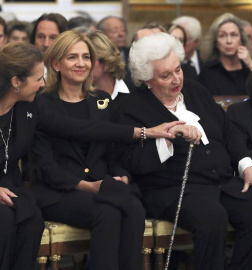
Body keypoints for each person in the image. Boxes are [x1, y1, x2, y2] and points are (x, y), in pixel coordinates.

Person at [115, 32, 252, 270]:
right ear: (147, 79)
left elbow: (229, 132)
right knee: (212, 217)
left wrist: (246, 165)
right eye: (165, 75)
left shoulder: (196, 91)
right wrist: (167, 137)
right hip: (170, 189)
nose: (176, 79)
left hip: (220, 182)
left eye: (178, 69)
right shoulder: (130, 108)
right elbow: (132, 161)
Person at [30, 30, 178, 270]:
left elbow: (113, 153)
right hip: (59, 191)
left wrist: (122, 175)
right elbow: (45, 167)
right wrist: (86, 186)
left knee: (134, 208)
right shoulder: (41, 103)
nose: (81, 63)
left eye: (86, 57)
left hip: (104, 187)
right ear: (56, 63)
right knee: (107, 212)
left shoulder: (101, 99)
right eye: (72, 57)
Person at [0, 42, 45, 270]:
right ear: (16, 81)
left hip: (10, 188)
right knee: (4, 221)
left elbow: (71, 127)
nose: (42, 84)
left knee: (33, 219)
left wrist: (139, 132)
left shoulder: (26, 107)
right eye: (38, 78)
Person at [199, 13, 252, 96]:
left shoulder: (249, 68)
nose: (229, 41)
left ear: (241, 39)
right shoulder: (207, 72)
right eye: (222, 36)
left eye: (233, 35)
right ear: (216, 42)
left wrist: (250, 63)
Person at [88, 30, 129, 107]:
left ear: (107, 63)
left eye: (88, 58)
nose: (82, 64)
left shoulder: (135, 92)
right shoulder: (78, 97)